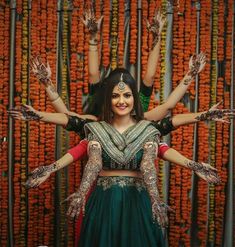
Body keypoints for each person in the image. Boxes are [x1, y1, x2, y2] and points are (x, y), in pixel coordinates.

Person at [14, 68, 221, 247]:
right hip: (104, 201)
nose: (121, 101)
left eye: (127, 95)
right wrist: (40, 117)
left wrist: (195, 158)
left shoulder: (146, 127)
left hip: (138, 200)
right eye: (115, 96)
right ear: (108, 99)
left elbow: (167, 127)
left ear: (134, 98)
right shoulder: (96, 127)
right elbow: (72, 127)